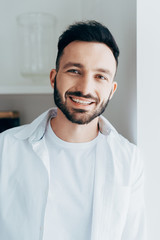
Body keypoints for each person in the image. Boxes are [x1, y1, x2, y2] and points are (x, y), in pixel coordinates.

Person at [0, 21, 145, 240]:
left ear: (112, 90)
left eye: (100, 76)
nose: (85, 88)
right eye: (74, 71)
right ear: (53, 78)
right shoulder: (5, 149)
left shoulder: (129, 160)